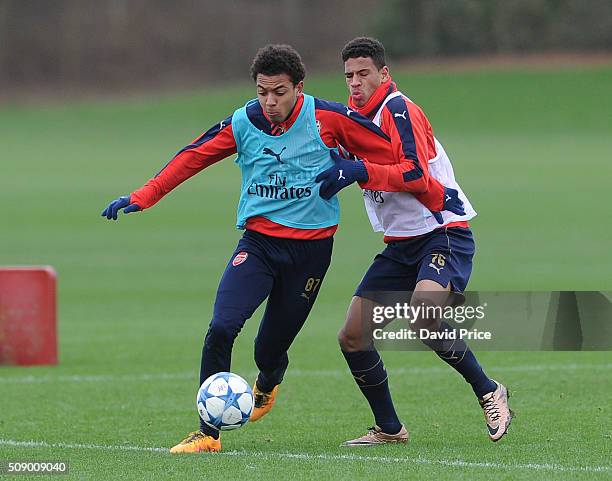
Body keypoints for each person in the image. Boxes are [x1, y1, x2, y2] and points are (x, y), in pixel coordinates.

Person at [101, 44, 463, 453]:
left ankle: (269, 380)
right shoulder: (244, 122)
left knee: (268, 349)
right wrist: (144, 196)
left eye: (279, 92)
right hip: (257, 246)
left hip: (310, 255)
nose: (269, 102)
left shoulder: (329, 117)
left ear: (299, 88)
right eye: (262, 92)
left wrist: (413, 189)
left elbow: (396, 161)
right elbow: (192, 157)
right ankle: (207, 433)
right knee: (221, 327)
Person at [315, 37, 512, 445]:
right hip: (401, 243)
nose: (355, 82)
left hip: (442, 231)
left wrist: (358, 171)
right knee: (352, 336)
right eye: (349, 75)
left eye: (364, 74)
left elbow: (416, 176)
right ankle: (389, 428)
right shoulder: (351, 119)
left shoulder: (398, 109)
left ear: (384, 74)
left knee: (424, 314)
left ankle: (490, 390)